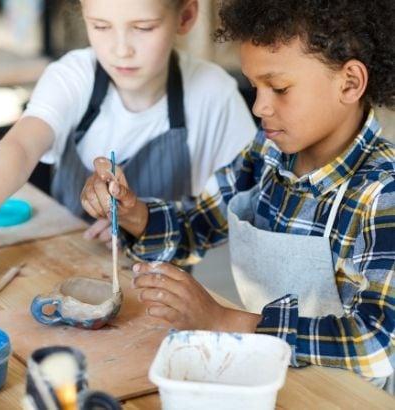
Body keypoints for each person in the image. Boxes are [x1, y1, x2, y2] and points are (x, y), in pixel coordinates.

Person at [80, 0, 395, 392]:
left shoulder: (383, 192)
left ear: (349, 83)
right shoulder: (267, 152)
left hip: (345, 398)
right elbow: (198, 225)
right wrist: (133, 214)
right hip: (265, 377)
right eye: (255, 87)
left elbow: (377, 341)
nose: (261, 106)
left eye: (279, 88)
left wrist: (226, 321)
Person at [0, 0, 255, 280]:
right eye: (101, 26)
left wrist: (138, 224)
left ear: (185, 16)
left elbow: (244, 203)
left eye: (143, 28)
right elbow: (21, 145)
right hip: (63, 271)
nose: (121, 49)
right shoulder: (73, 77)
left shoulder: (214, 95)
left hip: (161, 290)